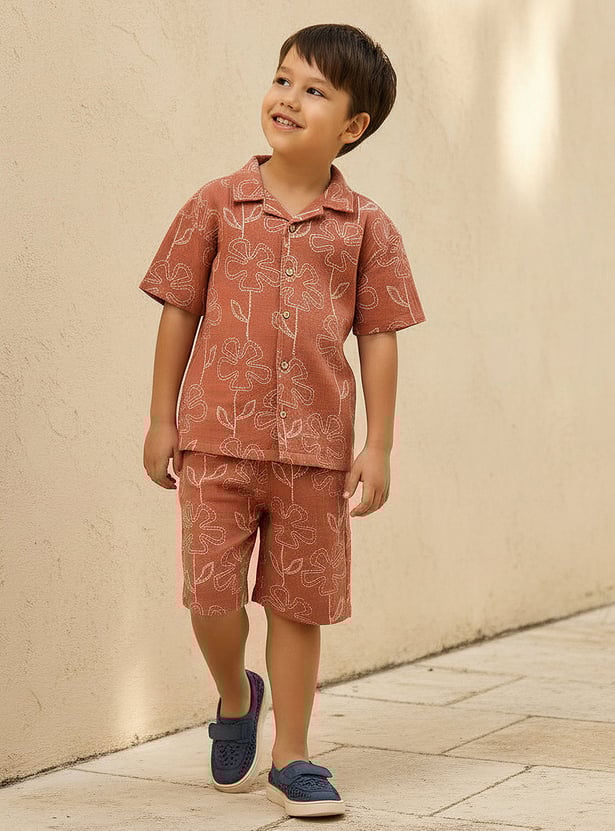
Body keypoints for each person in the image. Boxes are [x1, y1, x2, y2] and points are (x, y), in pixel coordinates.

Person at [139, 22, 426, 819]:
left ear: (353, 126)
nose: (287, 98)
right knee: (209, 594)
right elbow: (178, 311)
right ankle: (235, 696)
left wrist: (379, 444)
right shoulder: (215, 204)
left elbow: (379, 339)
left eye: (313, 90)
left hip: (314, 452)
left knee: (298, 606)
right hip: (212, 440)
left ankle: (293, 755)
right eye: (281, 79)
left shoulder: (367, 227)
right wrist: (161, 418)